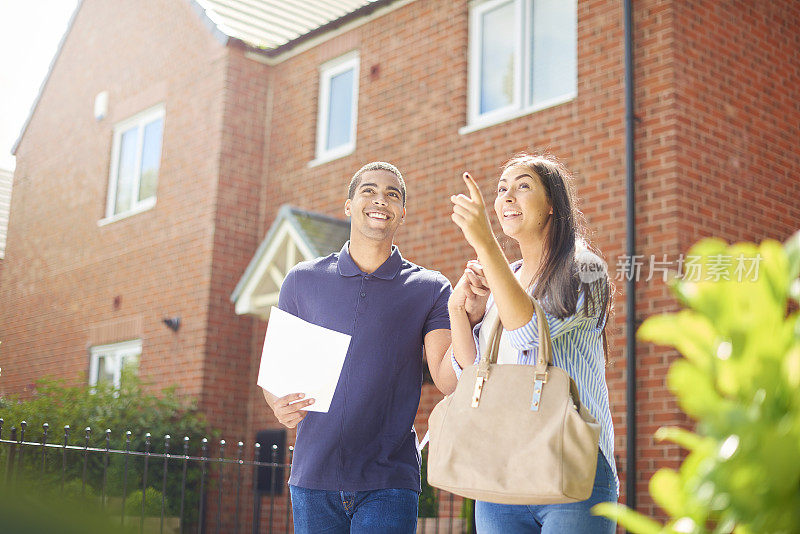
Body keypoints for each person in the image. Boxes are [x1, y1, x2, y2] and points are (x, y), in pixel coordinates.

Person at [261, 161, 452, 534]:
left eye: (392, 194)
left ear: (402, 213)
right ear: (348, 205)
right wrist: (277, 405)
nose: (380, 199)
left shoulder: (430, 288)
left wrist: (464, 313)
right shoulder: (302, 280)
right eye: (369, 190)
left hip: (389, 479)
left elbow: (447, 372)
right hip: (313, 477)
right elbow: (276, 371)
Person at [430, 154, 618, 533]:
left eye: (523, 186)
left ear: (552, 205)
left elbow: (529, 333)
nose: (507, 196)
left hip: (570, 463)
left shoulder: (585, 268)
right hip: (500, 470)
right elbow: (466, 375)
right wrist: (459, 312)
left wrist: (485, 243)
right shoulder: (507, 277)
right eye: (502, 189)